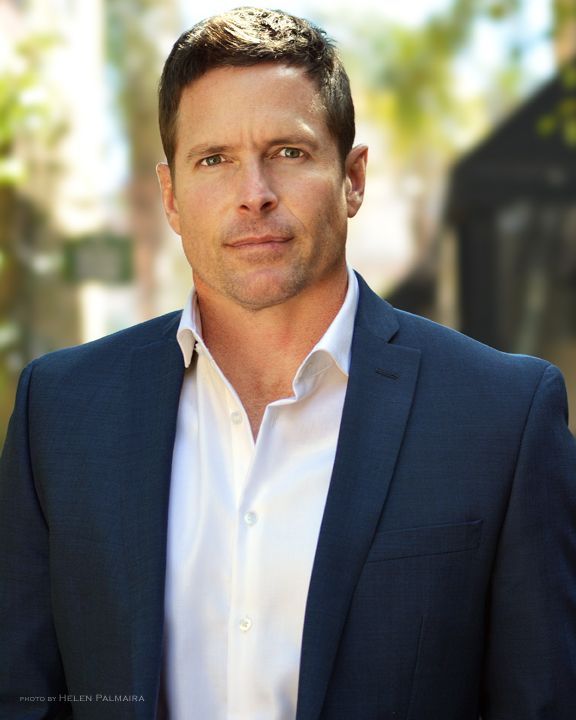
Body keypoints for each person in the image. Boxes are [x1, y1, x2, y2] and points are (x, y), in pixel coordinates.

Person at [1, 6, 576, 720]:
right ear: (171, 196)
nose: (254, 194)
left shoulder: (503, 417)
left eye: (289, 152)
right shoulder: (60, 412)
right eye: (214, 160)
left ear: (353, 178)